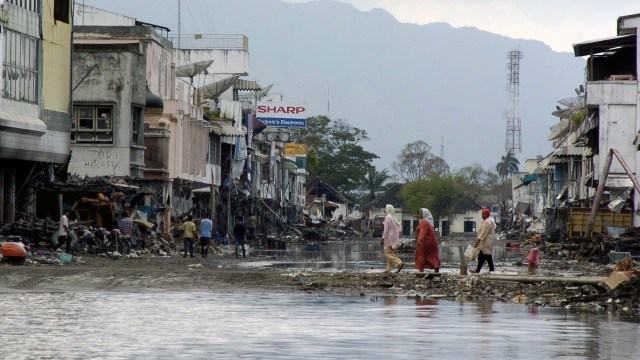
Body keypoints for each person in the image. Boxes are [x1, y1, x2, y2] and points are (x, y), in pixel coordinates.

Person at [415, 208, 440, 274]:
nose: (419, 215)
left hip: (425, 242)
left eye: (421, 213)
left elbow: (423, 232)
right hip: (432, 242)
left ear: (424, 214)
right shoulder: (429, 222)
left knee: (421, 255)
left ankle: (421, 269)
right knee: (431, 255)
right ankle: (435, 266)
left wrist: (420, 240)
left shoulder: (423, 222)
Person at [381, 204, 403, 273]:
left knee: (387, 253)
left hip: (389, 238)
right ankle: (388, 270)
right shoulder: (394, 218)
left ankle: (399, 263)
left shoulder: (388, 217)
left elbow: (386, 229)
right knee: (391, 253)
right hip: (395, 238)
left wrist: (383, 238)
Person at [474, 208, 495, 273]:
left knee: (487, 256)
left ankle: (491, 270)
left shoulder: (487, 222)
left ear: (488, 215)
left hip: (486, 242)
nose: (483, 216)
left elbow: (483, 233)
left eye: (485, 214)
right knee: (482, 257)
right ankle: (478, 270)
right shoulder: (487, 221)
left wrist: (477, 241)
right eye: (482, 214)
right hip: (486, 242)